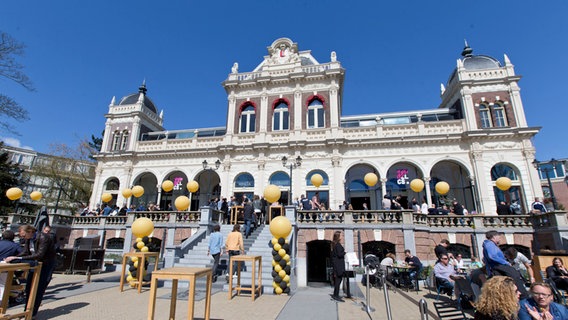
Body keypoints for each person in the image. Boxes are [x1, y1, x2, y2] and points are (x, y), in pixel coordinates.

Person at [5, 224, 57, 318]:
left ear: (30, 231)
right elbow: (25, 251)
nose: (23, 237)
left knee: (39, 289)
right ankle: (27, 310)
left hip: (45, 265)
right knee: (29, 287)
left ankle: (32, 313)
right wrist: (14, 258)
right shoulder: (29, 238)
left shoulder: (43, 237)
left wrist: (19, 258)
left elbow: (39, 255)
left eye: (24, 236)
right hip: (35, 264)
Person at [483, 230, 529, 299]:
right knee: (515, 276)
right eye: (499, 237)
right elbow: (492, 256)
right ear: (494, 237)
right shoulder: (490, 244)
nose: (499, 239)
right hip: (499, 267)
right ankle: (523, 297)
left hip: (498, 267)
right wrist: (506, 263)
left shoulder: (490, 244)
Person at [0, 230, 23, 298]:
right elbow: (22, 254)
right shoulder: (15, 245)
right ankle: (1, 302)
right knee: (2, 285)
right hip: (5, 266)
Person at [330, 231, 345, 302]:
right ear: (338, 237)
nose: (342, 236)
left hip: (336, 266)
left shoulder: (334, 244)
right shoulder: (337, 245)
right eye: (341, 235)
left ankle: (335, 294)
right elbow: (339, 254)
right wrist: (344, 253)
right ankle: (336, 295)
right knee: (338, 281)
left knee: (337, 281)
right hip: (338, 266)